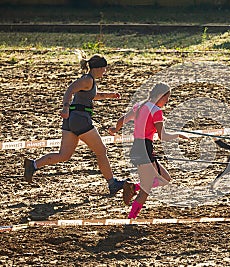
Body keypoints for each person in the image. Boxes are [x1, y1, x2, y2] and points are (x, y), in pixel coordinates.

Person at [23, 54, 126, 196]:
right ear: (99, 68)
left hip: (72, 120)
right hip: (80, 119)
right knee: (101, 151)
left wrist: (110, 95)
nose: (105, 72)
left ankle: (33, 165)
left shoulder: (89, 82)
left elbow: (92, 96)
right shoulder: (87, 80)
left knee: (64, 154)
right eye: (104, 69)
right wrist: (65, 107)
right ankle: (112, 183)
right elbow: (69, 90)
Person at [108, 83, 187, 219]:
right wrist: (178, 135)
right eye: (166, 98)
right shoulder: (156, 111)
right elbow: (163, 136)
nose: (167, 101)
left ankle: (133, 187)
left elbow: (122, 120)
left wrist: (115, 130)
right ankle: (131, 218)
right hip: (145, 149)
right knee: (146, 189)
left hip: (138, 148)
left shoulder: (140, 106)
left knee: (165, 179)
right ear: (160, 96)